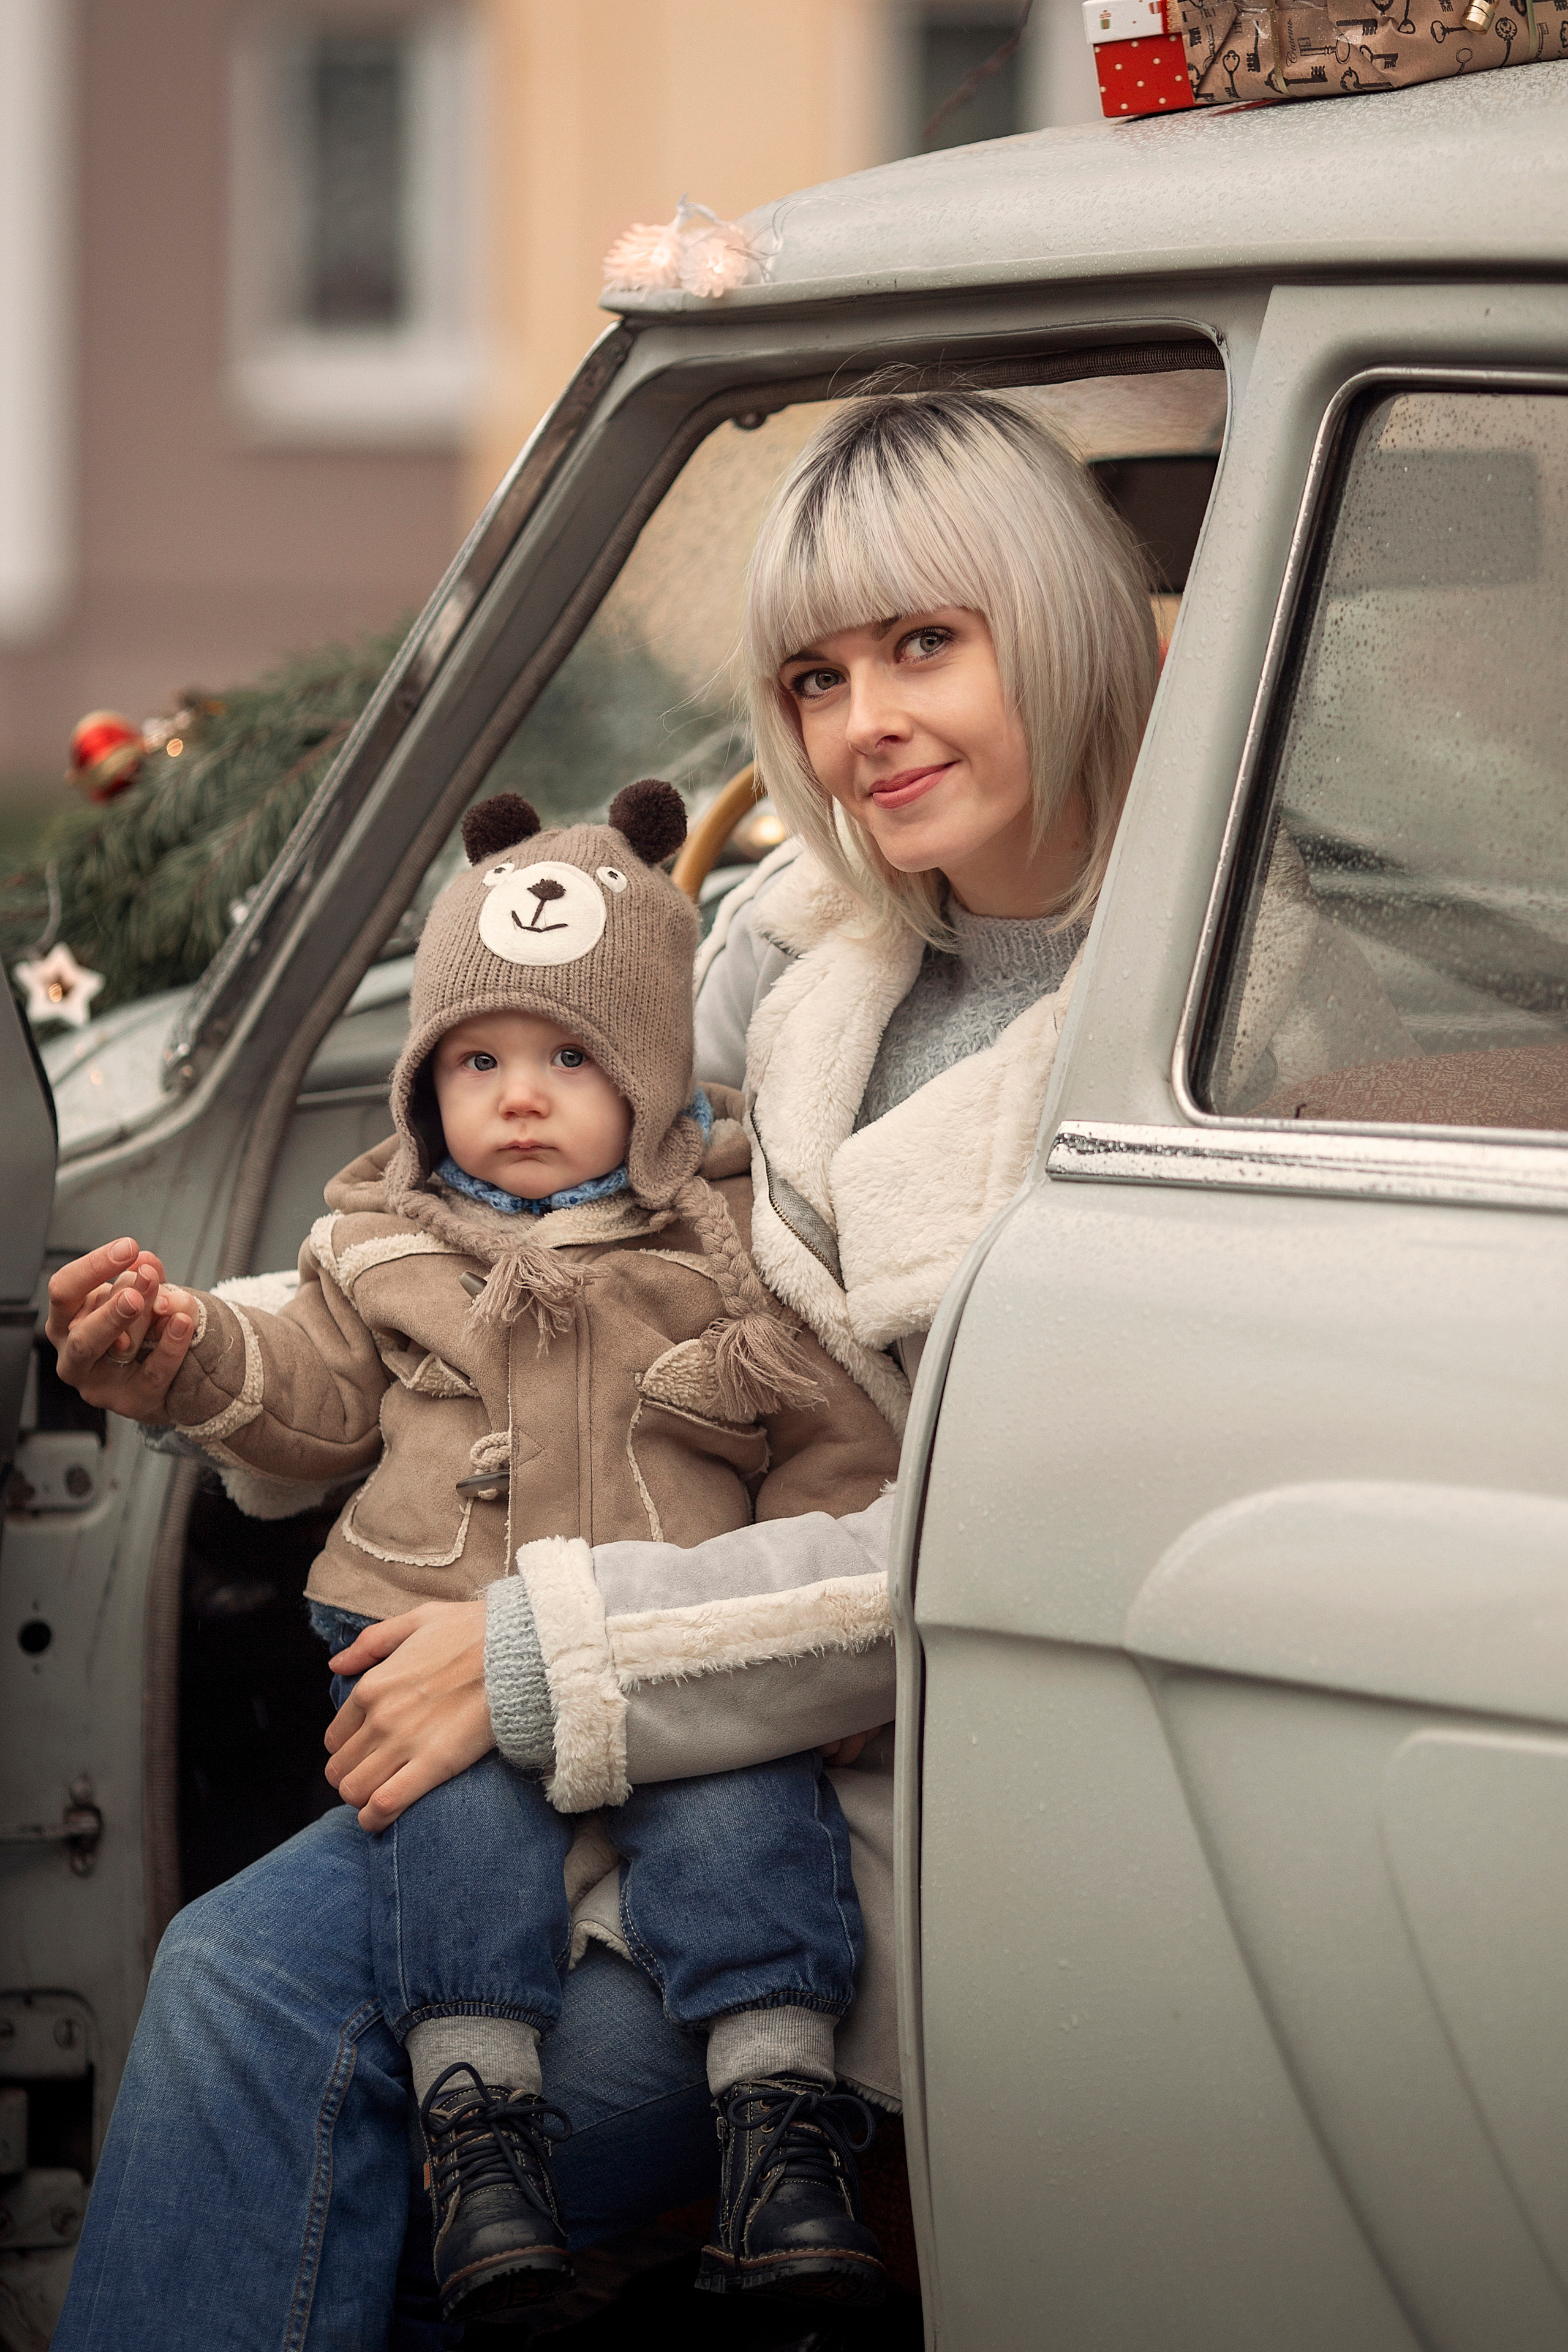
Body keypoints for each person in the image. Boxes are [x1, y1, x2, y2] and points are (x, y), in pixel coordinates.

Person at [50, 387, 1158, 2351]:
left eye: (927, 643)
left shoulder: (1180, 1029)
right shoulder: (794, 955)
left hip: (896, 1791)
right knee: (230, 1974)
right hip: (629, 1686)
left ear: (1062, 621)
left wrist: (537, 1653)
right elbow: (533, 1244)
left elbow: (996, 1545)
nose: (864, 724)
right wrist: (202, 1350)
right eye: (815, 676)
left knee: (297, 2064)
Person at [54, 776, 899, 2324]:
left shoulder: (717, 1253)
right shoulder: (385, 1244)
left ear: (650, 1079)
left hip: (668, 1666)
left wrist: (809, 1662)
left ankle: (780, 2125)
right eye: (477, 1060)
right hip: (427, 1631)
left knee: (745, 1831)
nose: (519, 1096)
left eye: (572, 1059)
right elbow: (307, 1391)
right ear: (424, 1085)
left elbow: (831, 1450)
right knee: (445, 1856)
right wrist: (184, 1356)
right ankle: (479, 2130)